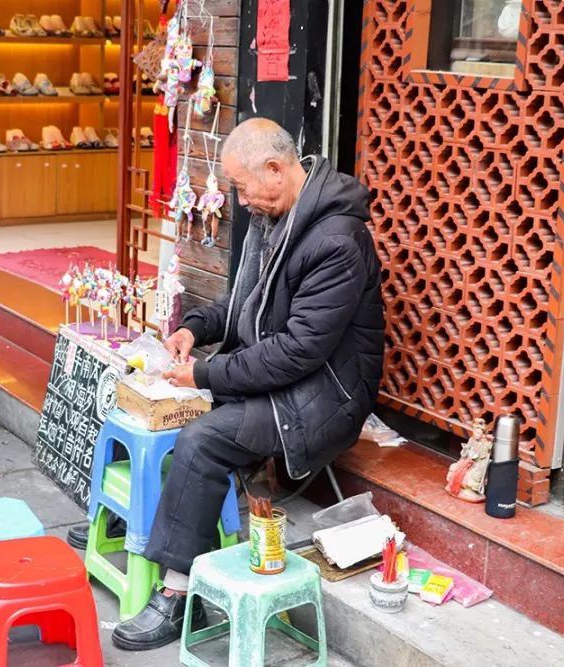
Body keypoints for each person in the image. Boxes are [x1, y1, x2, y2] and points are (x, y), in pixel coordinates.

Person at [70, 118, 385, 651]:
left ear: (275, 169)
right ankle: (141, 521)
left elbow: (300, 351)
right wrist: (194, 329)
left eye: (241, 186)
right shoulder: (276, 216)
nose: (239, 201)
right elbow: (241, 305)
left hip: (324, 396)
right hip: (280, 377)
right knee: (158, 405)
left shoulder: (336, 241)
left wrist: (206, 374)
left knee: (202, 439)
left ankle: (176, 593)